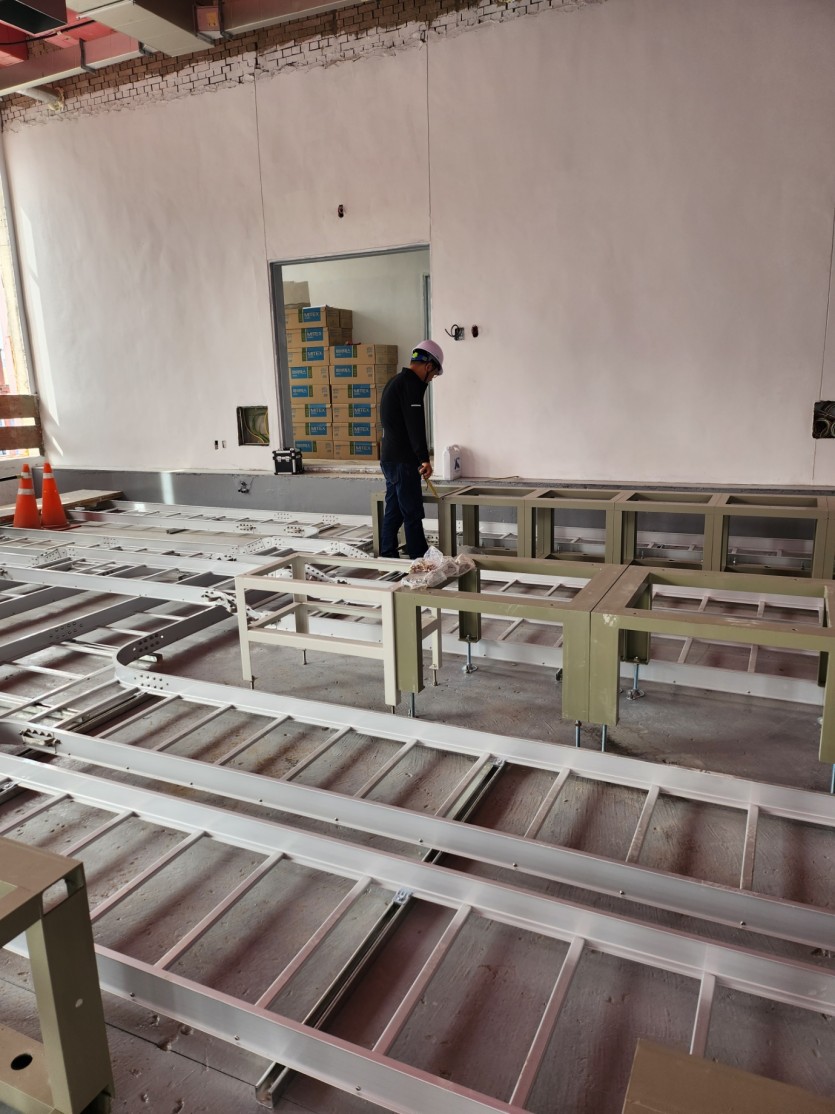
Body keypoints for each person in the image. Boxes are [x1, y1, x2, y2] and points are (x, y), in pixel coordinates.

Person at [378, 339, 444, 559]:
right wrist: (424, 459)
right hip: (402, 462)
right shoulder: (411, 385)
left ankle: (387, 556)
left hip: (390, 458)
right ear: (428, 366)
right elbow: (415, 426)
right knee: (412, 513)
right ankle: (420, 560)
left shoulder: (396, 381)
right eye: (433, 374)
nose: (432, 378)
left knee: (395, 511)